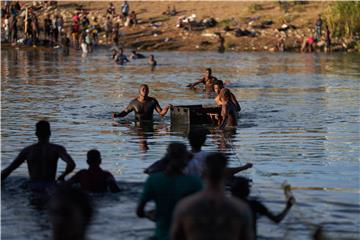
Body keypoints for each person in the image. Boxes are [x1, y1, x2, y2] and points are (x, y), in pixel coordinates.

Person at [171, 153, 254, 240]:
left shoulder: (184, 206)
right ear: (224, 171)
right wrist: (245, 167)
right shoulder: (241, 209)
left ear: (206, 171)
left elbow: (175, 236)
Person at [136, 143, 203, 240]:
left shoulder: (154, 180)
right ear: (185, 161)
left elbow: (139, 212)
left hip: (160, 236)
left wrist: (152, 215)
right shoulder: (194, 182)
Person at [1, 121, 76, 191]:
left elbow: (8, 170)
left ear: (36, 133)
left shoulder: (28, 150)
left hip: (33, 186)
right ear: (50, 133)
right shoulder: (57, 149)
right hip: (50, 186)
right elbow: (71, 164)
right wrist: (62, 176)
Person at [231, 176, 295, 237]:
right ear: (247, 191)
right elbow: (277, 219)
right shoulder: (254, 205)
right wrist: (288, 207)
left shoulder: (224, 205)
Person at [184, 128, 252, 178]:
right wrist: (244, 167)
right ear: (204, 140)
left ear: (189, 140)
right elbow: (223, 171)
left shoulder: (182, 156)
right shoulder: (207, 156)